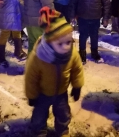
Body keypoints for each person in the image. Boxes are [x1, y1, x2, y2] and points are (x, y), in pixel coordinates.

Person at [25, 7, 84, 137]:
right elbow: (30, 77)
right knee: (39, 116)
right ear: (50, 42)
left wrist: (77, 85)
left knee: (63, 114)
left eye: (69, 42)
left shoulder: (71, 53)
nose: (66, 47)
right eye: (60, 43)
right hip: (42, 94)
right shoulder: (39, 56)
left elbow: (77, 69)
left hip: (61, 93)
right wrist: (31, 95)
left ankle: (62, 131)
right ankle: (39, 131)